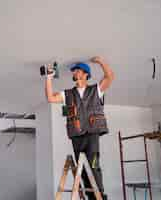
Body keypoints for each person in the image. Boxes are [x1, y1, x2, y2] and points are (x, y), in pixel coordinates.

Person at [45, 56, 114, 200]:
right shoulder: (68, 94)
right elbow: (51, 98)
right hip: (76, 135)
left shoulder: (96, 90)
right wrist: (49, 78)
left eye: (77, 71)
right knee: (81, 169)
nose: (74, 73)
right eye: (74, 72)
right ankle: (90, 196)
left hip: (92, 134)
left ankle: (99, 195)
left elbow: (110, 76)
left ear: (85, 74)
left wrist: (101, 61)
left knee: (94, 164)